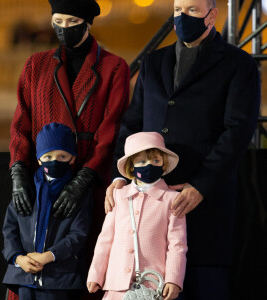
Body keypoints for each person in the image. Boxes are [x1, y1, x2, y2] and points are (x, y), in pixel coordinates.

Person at [105, 0, 261, 299]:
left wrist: (200, 186)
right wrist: (119, 175)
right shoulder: (153, 63)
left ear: (211, 16)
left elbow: (237, 132)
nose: (181, 17)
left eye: (191, 10)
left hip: (205, 205)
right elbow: (132, 124)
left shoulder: (238, 64)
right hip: (150, 214)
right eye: (177, 10)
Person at [9, 0, 129, 219]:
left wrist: (82, 180)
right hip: (44, 178)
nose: (64, 28)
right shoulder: (35, 65)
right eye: (58, 21)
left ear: (88, 23)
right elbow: (21, 123)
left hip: (91, 177)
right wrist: (18, 171)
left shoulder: (114, 67)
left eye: (72, 21)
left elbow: (112, 129)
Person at [87, 132, 187, 300]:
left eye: (155, 161)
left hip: (154, 285)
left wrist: (174, 280)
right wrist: (96, 274)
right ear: (131, 166)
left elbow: (177, 244)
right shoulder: (119, 195)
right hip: (117, 284)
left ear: (164, 164)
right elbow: (105, 239)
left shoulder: (173, 198)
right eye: (142, 161)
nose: (149, 165)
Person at [3, 123, 93, 299]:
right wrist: (17, 258)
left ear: (72, 158)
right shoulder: (25, 188)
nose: (54, 161)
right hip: (24, 276)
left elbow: (78, 234)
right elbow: (9, 229)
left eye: (62, 156)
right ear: (38, 159)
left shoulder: (80, 194)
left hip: (59, 279)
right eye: (48, 156)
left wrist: (50, 256)